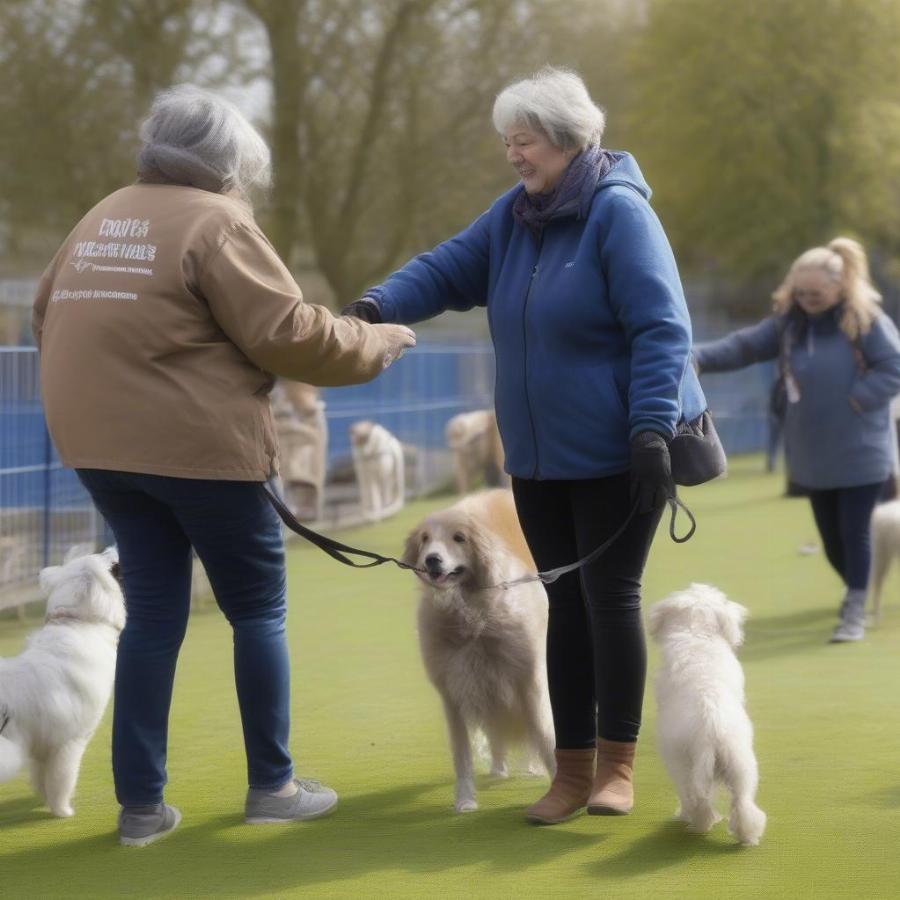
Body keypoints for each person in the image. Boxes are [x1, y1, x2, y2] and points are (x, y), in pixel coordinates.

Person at [31, 85, 416, 846]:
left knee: (152, 616)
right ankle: (272, 785)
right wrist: (378, 343)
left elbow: (47, 315)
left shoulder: (100, 215)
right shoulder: (216, 221)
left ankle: (141, 808)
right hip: (200, 451)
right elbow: (289, 332)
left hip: (100, 451)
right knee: (257, 610)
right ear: (226, 162)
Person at [342, 67, 707, 824]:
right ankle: (568, 773)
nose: (513, 154)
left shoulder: (618, 215)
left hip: (619, 451)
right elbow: (446, 267)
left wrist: (648, 430)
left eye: (526, 140)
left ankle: (616, 769)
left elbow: (662, 330)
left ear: (570, 140)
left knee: (609, 603)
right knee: (562, 608)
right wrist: (376, 304)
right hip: (538, 462)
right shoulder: (514, 217)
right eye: (507, 141)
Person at [694, 238, 900, 643]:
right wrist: (696, 357)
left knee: (856, 530)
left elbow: (893, 366)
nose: (808, 300)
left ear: (840, 287)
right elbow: (744, 346)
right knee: (832, 540)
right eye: (801, 293)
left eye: (817, 294)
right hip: (812, 452)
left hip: (862, 449)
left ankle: (854, 610)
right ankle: (857, 586)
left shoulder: (866, 320)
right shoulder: (790, 323)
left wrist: (858, 399)